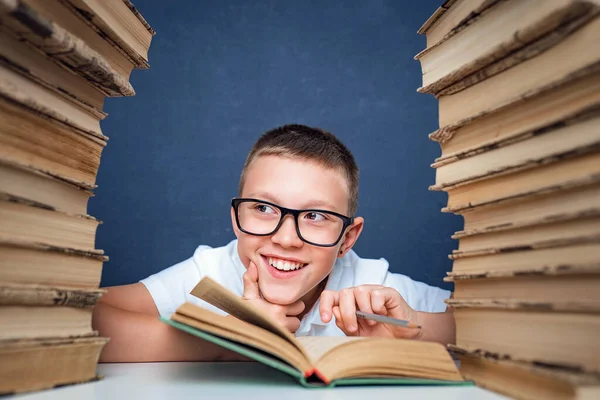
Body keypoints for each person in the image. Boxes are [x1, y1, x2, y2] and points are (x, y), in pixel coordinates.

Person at [93, 124, 455, 362]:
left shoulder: (374, 287)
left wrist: (417, 329)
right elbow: (87, 315)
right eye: (264, 208)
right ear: (236, 219)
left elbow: (503, 327)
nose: (285, 239)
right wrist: (230, 342)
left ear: (347, 239)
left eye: (315, 216)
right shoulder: (212, 273)